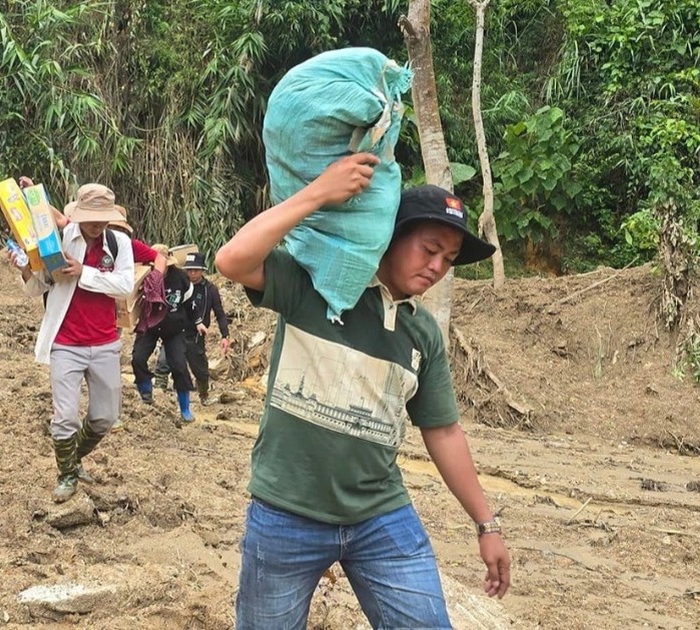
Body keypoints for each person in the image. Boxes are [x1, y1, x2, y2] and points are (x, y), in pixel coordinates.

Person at [215, 153, 511, 629]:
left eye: (449, 260)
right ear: (389, 236)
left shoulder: (423, 333)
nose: (437, 267)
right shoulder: (312, 289)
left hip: (379, 516)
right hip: (286, 514)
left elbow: (444, 432)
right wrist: (320, 192)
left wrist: (487, 524)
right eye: (429, 249)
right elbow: (231, 260)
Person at [10, 182, 138, 503]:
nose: (97, 224)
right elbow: (38, 287)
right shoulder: (61, 239)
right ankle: (66, 474)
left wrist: (84, 272)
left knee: (105, 417)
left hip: (106, 342)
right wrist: (28, 270)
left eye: (102, 217)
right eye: (91, 217)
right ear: (78, 215)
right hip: (66, 341)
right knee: (65, 416)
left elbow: (124, 285)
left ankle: (73, 458)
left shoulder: (119, 242)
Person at [132, 245, 200, 424]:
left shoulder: (180, 278)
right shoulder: (143, 275)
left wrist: (198, 323)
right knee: (138, 358)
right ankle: (146, 393)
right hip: (150, 325)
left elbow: (189, 303)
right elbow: (132, 302)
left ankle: (185, 408)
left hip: (174, 328)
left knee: (178, 366)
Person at [181, 251, 231, 405]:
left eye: (195, 270)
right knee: (165, 363)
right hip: (176, 333)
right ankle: (161, 395)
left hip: (196, 336)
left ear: (202, 270)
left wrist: (225, 335)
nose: (192, 273)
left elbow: (220, 313)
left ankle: (204, 395)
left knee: (201, 370)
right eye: (189, 270)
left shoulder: (210, 290)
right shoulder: (179, 285)